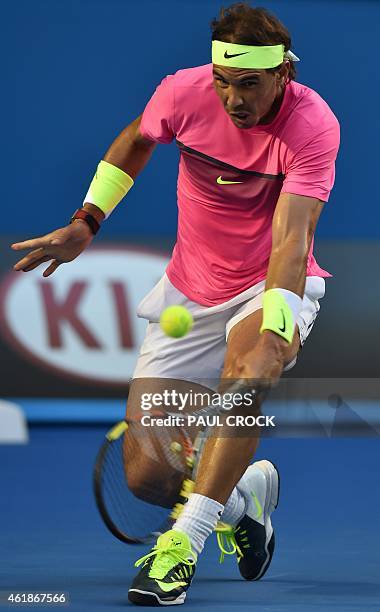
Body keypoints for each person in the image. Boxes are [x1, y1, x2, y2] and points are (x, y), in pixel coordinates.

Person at [11, 2, 340, 606]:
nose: (233, 98)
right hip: (189, 288)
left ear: (282, 75)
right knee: (148, 476)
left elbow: (292, 238)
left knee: (249, 377)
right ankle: (243, 498)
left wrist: (278, 321)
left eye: (249, 84)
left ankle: (179, 551)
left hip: (269, 281)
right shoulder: (182, 93)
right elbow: (137, 140)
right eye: (223, 80)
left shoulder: (312, 123)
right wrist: (87, 220)